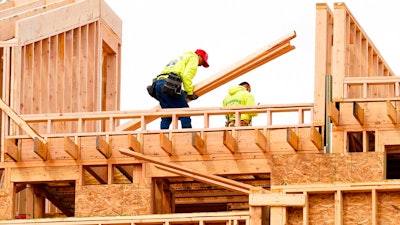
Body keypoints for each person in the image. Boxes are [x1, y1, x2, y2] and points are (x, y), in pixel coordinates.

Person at [155, 49, 209, 129]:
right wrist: (190, 93)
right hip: (170, 84)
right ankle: (187, 135)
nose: (200, 65)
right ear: (199, 56)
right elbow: (186, 76)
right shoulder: (193, 58)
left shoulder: (181, 57)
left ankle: (162, 136)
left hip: (158, 84)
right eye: (202, 62)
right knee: (184, 112)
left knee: (167, 114)